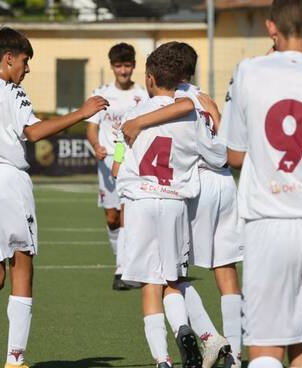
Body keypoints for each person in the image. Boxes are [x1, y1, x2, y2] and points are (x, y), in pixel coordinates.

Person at [0, 27, 108, 368]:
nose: (26, 69)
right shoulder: (12, 91)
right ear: (8, 58)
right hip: (8, 180)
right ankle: (15, 360)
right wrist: (83, 112)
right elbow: (34, 132)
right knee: (22, 268)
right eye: (24, 61)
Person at [121, 42, 243, 368]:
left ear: (149, 78)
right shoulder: (193, 113)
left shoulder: (135, 113)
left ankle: (163, 359)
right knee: (176, 279)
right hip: (177, 199)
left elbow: (124, 149)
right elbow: (219, 155)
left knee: (152, 284)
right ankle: (210, 339)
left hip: (142, 200)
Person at [221, 1, 302, 367]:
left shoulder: (249, 71)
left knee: (265, 345)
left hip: (266, 221)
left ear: (271, 28)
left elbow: (234, 154)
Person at [86, 43, 149, 290]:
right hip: (107, 162)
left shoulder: (143, 95)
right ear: (112, 67)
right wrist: (95, 145)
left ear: (134, 66)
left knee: (127, 214)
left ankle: (123, 269)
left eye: (127, 65)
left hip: (129, 160)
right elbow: (91, 127)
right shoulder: (101, 93)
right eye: (118, 66)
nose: (123, 71)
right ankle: (121, 258)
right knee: (112, 218)